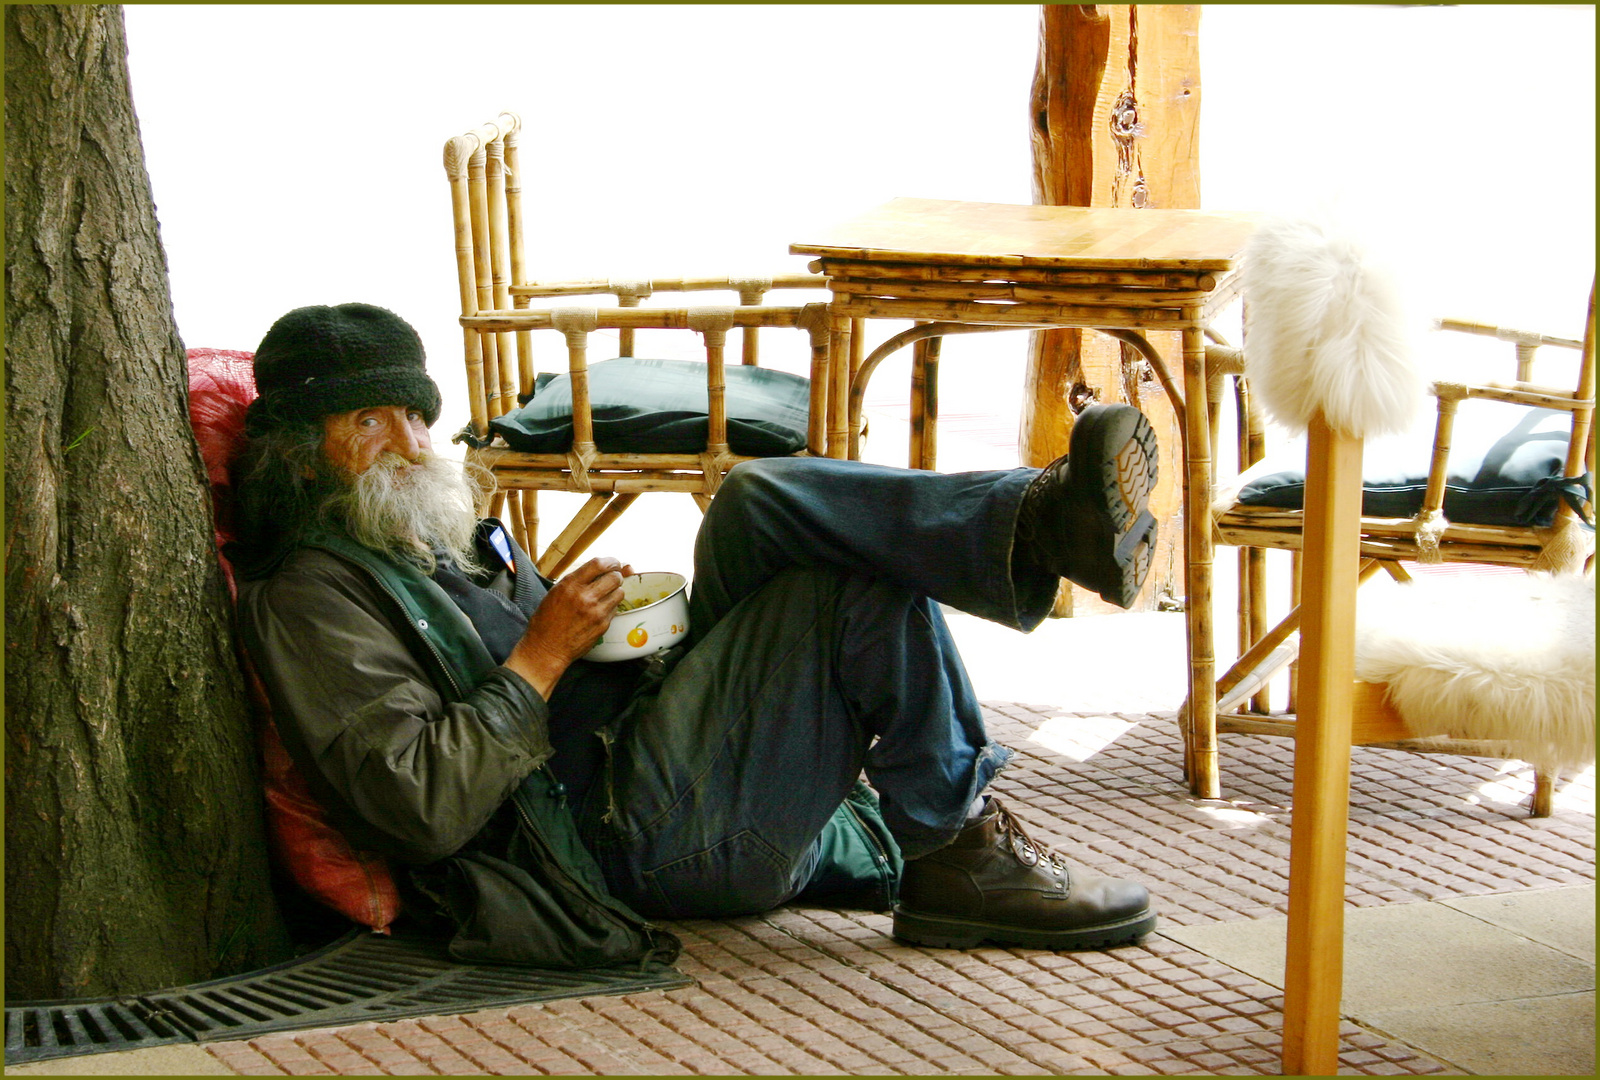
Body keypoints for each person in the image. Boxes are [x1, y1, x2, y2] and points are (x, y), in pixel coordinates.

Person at [231, 302, 1162, 968]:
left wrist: (620, 629)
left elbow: (554, 670)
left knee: (761, 501)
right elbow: (418, 805)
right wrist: (544, 651)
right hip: (615, 843)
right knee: (849, 594)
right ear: (296, 450)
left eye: (414, 415)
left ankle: (1036, 526)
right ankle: (957, 852)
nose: (409, 442)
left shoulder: (423, 533)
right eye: (367, 420)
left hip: (648, 755)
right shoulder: (311, 596)